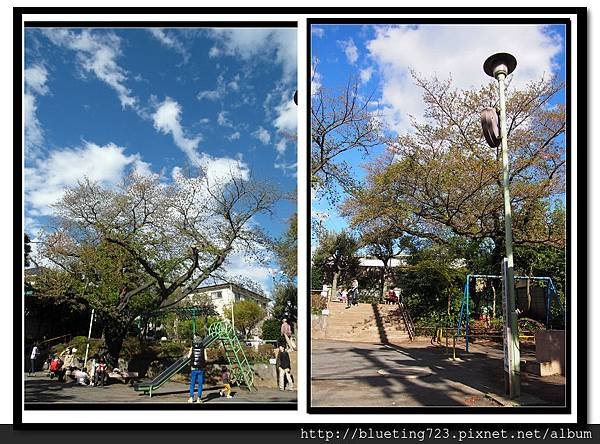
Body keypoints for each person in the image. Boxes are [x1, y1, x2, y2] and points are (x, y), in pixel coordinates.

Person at [187, 335, 207, 403]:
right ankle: (199, 398)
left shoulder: (192, 348)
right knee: (200, 384)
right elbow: (206, 358)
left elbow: (188, 356)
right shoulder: (203, 348)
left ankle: (191, 398)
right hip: (201, 368)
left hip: (193, 368)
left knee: (192, 384)